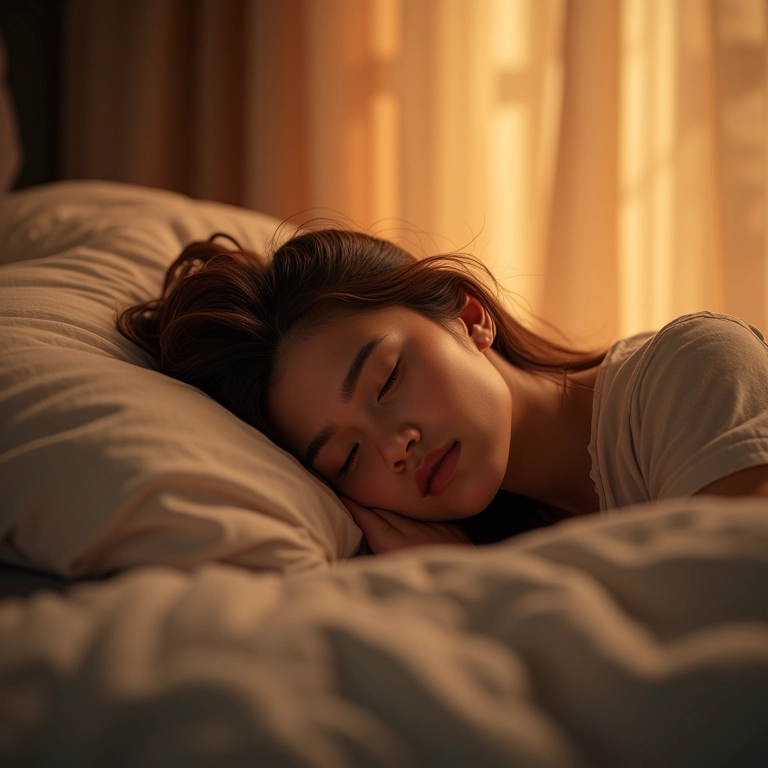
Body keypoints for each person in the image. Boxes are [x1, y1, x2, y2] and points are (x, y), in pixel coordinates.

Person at [117, 228, 768, 554]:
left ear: (471, 316)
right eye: (347, 458)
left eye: (388, 379)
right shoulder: (461, 555)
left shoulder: (694, 369)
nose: (394, 450)